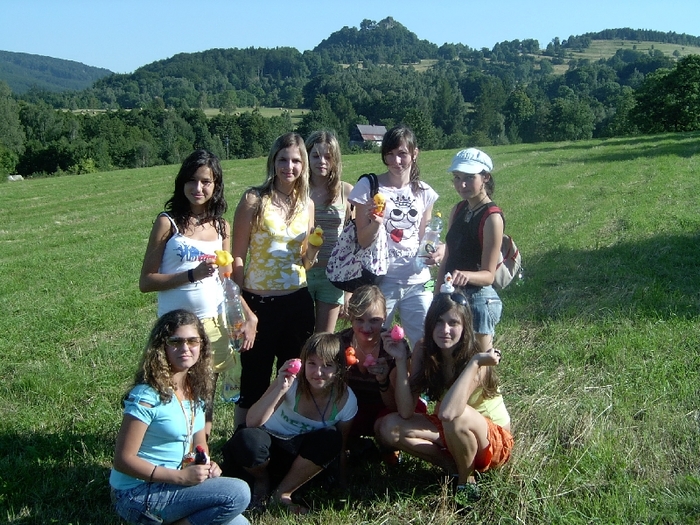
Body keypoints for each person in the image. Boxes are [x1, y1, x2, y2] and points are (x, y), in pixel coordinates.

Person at [139, 149, 256, 439]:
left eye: (206, 181)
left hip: (212, 325)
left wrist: (248, 314)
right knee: (170, 391)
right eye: (192, 180)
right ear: (182, 183)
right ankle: (170, 447)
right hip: (175, 327)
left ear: (216, 185)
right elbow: (146, 281)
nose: (198, 188)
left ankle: (201, 450)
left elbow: (226, 281)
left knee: (205, 394)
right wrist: (191, 274)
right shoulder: (168, 223)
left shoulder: (221, 226)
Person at [110, 309, 251, 525]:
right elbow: (123, 460)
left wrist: (206, 464)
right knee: (238, 492)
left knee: (240, 523)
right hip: (137, 493)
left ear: (202, 345)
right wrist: (181, 477)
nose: (185, 348)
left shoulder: (195, 388)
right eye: (175, 342)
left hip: (176, 483)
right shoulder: (146, 395)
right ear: (162, 347)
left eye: (192, 341)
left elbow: (200, 443)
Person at [376, 293, 513, 503]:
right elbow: (405, 411)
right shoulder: (424, 349)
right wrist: (402, 360)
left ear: (465, 326)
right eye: (439, 322)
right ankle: (453, 468)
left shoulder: (477, 357)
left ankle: (466, 482)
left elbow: (449, 412)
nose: (445, 330)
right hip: (451, 429)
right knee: (387, 427)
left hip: (491, 442)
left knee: (456, 416)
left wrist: (475, 363)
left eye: (453, 323)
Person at [231, 132, 319, 429]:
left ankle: (280, 435)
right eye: (283, 160)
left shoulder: (307, 204)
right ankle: (242, 442)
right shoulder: (254, 199)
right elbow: (237, 257)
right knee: (253, 380)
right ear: (273, 161)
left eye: (296, 161)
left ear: (303, 165)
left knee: (292, 376)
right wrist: (241, 307)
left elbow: (304, 261)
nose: (289, 167)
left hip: (297, 302)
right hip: (259, 304)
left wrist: (313, 251)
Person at [221, 333, 357, 514]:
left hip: (302, 460)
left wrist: (343, 485)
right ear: (303, 363)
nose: (318, 372)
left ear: (339, 368)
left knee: (332, 437)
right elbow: (252, 422)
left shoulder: (346, 400)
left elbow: (340, 447)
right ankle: (261, 481)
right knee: (246, 439)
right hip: (267, 450)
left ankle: (282, 493)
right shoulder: (291, 383)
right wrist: (280, 388)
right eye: (312, 364)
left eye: (327, 365)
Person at [348, 124, 439, 348]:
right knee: (371, 343)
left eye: (402, 154)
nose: (396, 161)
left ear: (415, 154)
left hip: (419, 281)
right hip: (381, 281)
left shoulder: (424, 192)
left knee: (425, 343)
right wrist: (376, 222)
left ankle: (412, 372)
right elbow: (363, 240)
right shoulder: (368, 187)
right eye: (389, 154)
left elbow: (425, 237)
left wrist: (438, 250)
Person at [436, 148, 503, 352]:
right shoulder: (458, 209)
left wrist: (467, 275)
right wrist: (437, 294)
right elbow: (448, 257)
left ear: (485, 177)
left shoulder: (491, 217)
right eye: (457, 178)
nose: (461, 185)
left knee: (482, 360)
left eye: (469, 178)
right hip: (452, 294)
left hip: (479, 300)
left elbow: (489, 275)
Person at [305, 130, 354, 332]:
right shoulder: (298, 191)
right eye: (316, 156)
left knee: (324, 340)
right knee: (300, 338)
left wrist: (348, 291)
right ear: (307, 157)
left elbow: (352, 241)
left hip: (332, 277)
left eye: (328, 156)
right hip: (302, 273)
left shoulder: (346, 191)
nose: (322, 161)